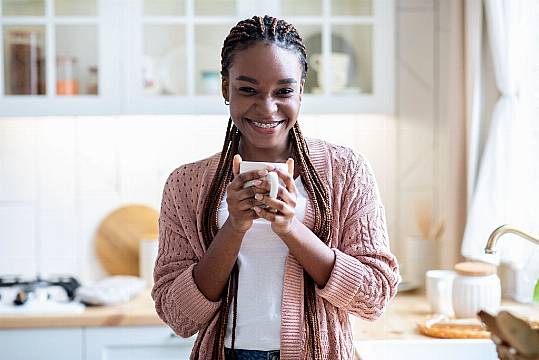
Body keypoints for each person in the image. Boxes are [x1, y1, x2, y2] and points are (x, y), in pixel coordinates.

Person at [152, 15, 400, 360]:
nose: (267, 108)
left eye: (283, 91)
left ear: (301, 89)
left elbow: (375, 296)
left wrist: (290, 227)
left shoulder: (346, 171)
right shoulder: (186, 185)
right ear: (226, 88)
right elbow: (176, 316)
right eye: (248, 89)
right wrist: (233, 228)